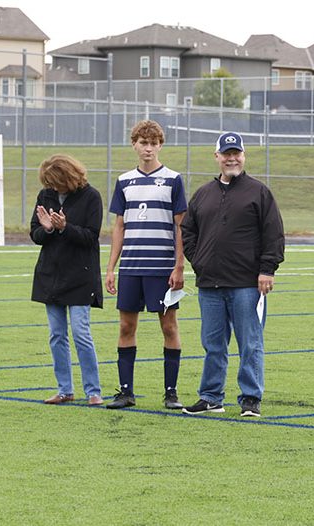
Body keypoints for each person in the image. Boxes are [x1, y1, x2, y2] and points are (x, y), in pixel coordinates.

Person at [181, 132, 285, 418]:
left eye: (236, 153)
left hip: (246, 284)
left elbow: (273, 233)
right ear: (217, 157)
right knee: (213, 343)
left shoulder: (259, 192)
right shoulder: (203, 194)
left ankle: (250, 397)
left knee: (250, 342)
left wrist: (267, 269)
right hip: (210, 283)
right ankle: (211, 396)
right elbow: (187, 230)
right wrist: (198, 260)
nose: (231, 158)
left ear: (243, 155)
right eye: (226, 153)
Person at [104, 120, 187, 410]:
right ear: (134, 145)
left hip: (161, 270)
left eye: (153, 143)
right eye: (143, 142)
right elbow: (118, 226)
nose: (148, 148)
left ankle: (171, 393)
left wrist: (179, 266)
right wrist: (111, 267)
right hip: (131, 268)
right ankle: (126, 392)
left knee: (169, 327)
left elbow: (180, 227)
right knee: (126, 326)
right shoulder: (124, 180)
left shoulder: (174, 180)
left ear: (160, 145)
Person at [30, 154, 104, 406]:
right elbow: (35, 234)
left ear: (69, 178)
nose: (53, 188)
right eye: (49, 184)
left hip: (81, 276)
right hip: (51, 275)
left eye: (56, 183)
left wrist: (64, 227)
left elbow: (91, 237)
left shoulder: (91, 196)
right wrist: (48, 228)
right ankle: (65, 390)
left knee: (81, 332)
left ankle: (93, 391)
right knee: (56, 335)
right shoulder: (45, 195)